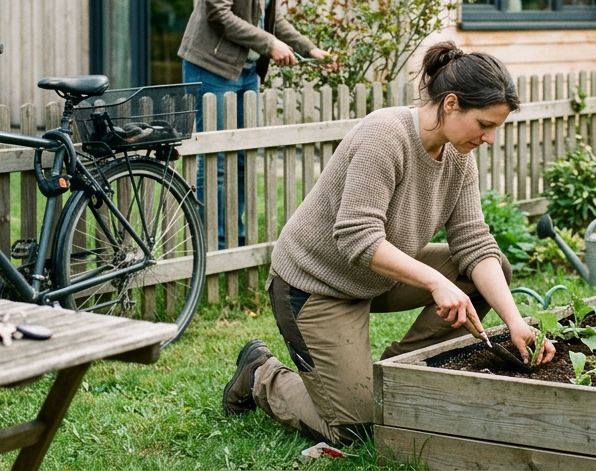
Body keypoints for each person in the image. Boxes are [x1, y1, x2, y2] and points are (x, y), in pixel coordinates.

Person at [221, 42, 555, 445]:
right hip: (314, 286)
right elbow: (357, 237)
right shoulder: (385, 136)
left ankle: (397, 369)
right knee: (355, 428)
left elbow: (473, 241)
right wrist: (434, 281)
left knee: (489, 269)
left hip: (375, 278)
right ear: (451, 104)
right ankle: (260, 373)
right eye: (485, 124)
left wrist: (514, 322)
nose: (489, 138)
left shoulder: (458, 156)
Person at [177, 0, 333, 248]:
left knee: (244, 158)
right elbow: (217, 11)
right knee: (215, 160)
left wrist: (308, 47)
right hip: (211, 66)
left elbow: (271, 18)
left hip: (247, 72)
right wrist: (268, 44)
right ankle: (211, 244)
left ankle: (235, 236)